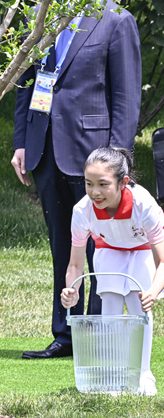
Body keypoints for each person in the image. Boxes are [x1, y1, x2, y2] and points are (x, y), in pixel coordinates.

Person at [12, 0, 141, 359]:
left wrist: (117, 159)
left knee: (102, 246)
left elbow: (126, 97)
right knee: (62, 245)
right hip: (45, 146)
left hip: (94, 154)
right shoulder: (41, 13)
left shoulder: (116, 19)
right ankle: (65, 333)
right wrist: (22, 140)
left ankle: (99, 333)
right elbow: (28, 81)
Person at [61, 148, 161, 395]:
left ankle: (143, 374)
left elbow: (162, 260)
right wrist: (71, 289)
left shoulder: (143, 204)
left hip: (143, 249)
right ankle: (115, 375)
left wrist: (153, 290)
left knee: (139, 306)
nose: (95, 192)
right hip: (109, 249)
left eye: (103, 184)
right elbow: (75, 264)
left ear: (123, 182)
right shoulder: (82, 211)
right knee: (111, 305)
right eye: (88, 183)